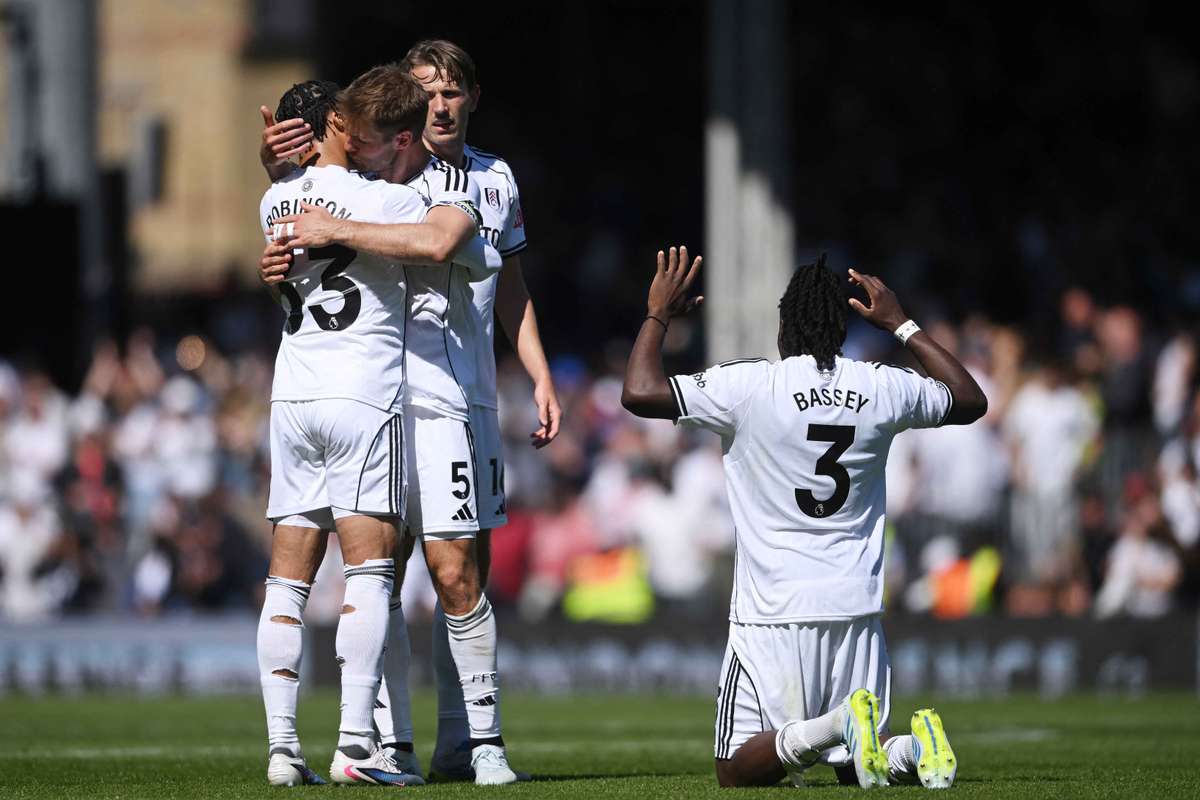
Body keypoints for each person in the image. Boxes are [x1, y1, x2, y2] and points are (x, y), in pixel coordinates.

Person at [261, 42, 558, 782]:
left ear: (471, 97)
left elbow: (496, 273)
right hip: (385, 398)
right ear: (402, 111)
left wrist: (540, 374)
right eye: (424, 92)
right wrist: (282, 197)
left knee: (458, 573)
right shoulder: (376, 179)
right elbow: (307, 206)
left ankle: (475, 742)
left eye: (451, 91)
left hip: (459, 397)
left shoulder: (486, 182)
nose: (439, 104)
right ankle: (385, 742)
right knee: (379, 569)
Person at [621, 247, 987, 788]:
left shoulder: (750, 386)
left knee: (735, 769)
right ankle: (911, 750)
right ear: (843, 326)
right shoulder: (879, 386)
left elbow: (640, 392)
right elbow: (969, 399)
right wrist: (901, 324)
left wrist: (658, 313)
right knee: (856, 768)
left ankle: (839, 724)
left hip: (772, 611)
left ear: (783, 325)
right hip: (855, 604)